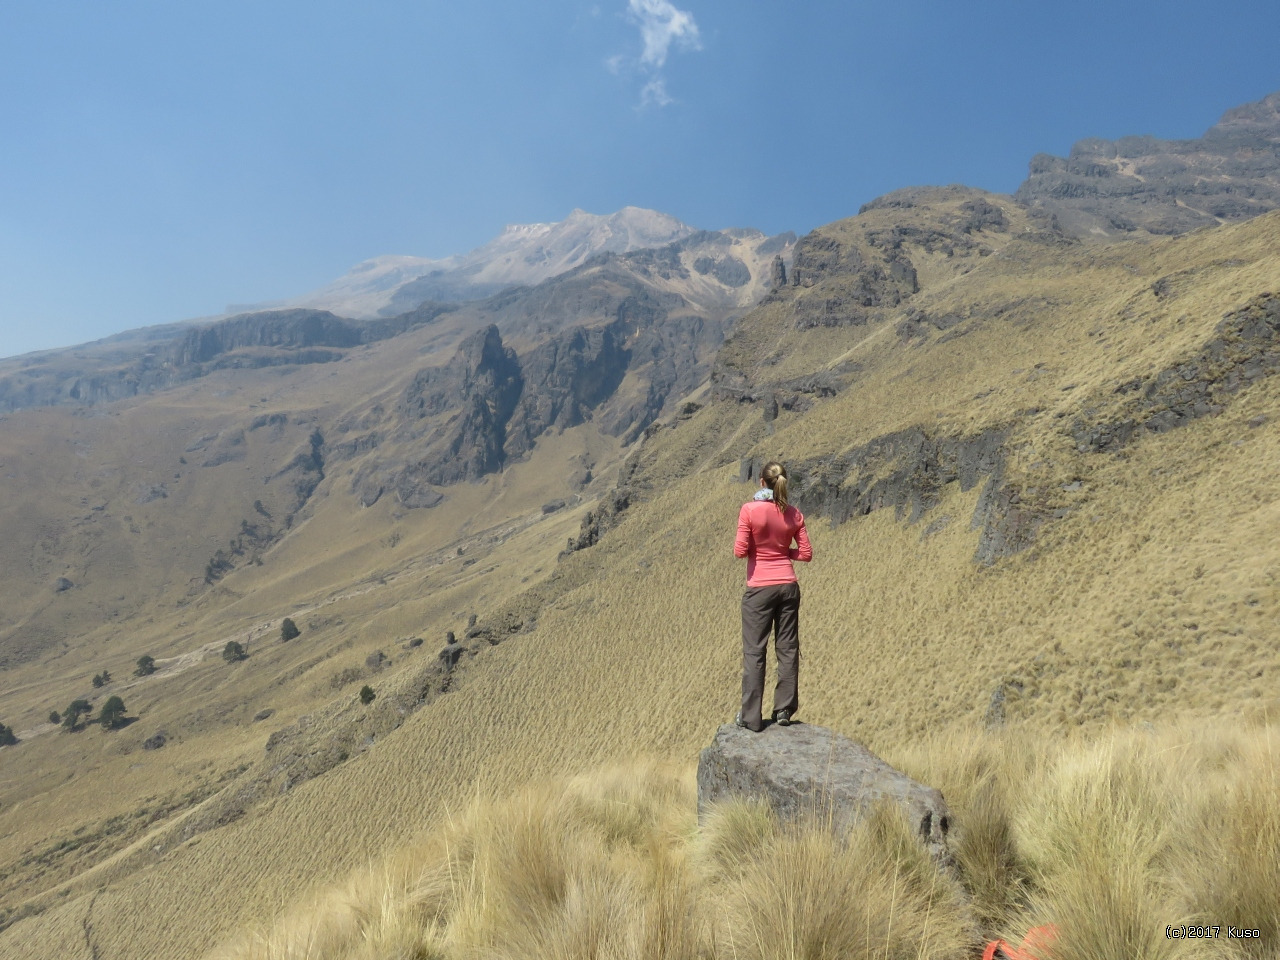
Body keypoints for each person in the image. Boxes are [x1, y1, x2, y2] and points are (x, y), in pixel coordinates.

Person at [733, 460, 812, 732]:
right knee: (787, 649)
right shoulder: (794, 513)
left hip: (760, 589)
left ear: (761, 482)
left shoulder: (749, 510)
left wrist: (764, 550)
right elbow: (805, 554)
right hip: (789, 586)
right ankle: (784, 710)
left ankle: (751, 718)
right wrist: (783, 553)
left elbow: (740, 551)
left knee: (755, 651)